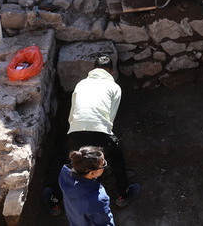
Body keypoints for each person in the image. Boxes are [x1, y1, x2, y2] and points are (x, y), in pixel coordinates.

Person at [46, 55, 140, 215]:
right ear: (111, 71)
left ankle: (54, 201)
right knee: (117, 161)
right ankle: (124, 195)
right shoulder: (114, 87)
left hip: (75, 132)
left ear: (93, 69)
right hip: (101, 133)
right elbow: (111, 116)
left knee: (65, 163)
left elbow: (73, 111)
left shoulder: (81, 84)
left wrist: (74, 133)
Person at [58, 146, 115, 226]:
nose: (105, 164)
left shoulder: (64, 176)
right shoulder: (98, 200)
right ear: (92, 173)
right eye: (103, 165)